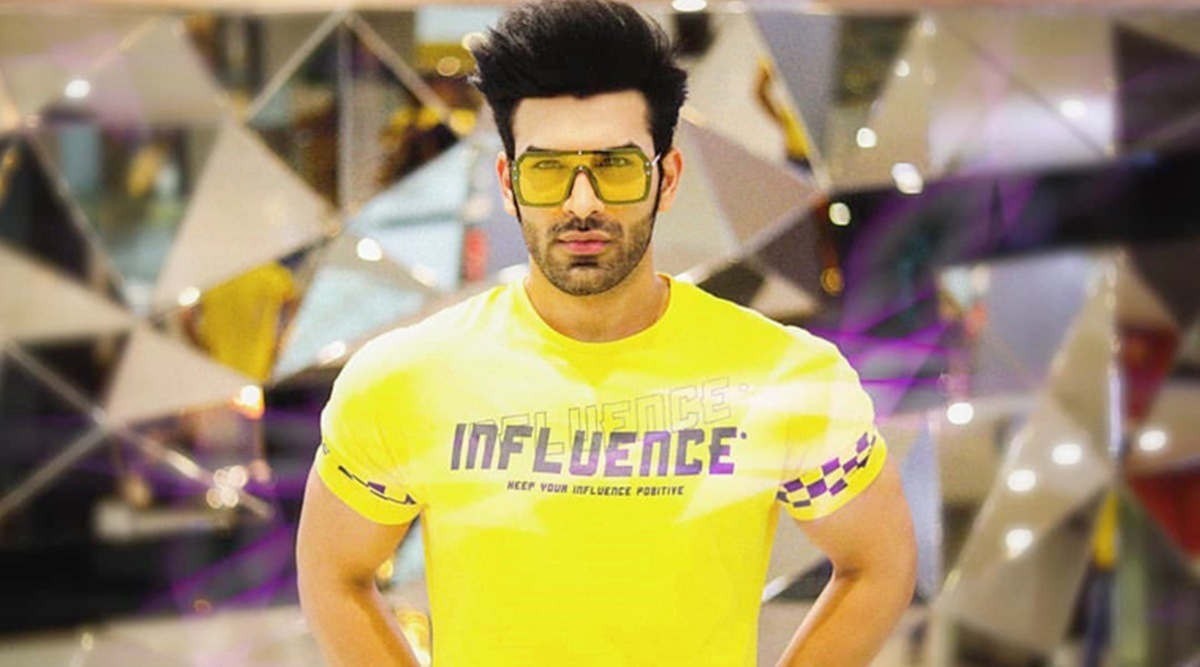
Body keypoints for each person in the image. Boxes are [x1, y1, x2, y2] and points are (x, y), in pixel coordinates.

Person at [295, 1, 916, 665]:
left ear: (665, 179)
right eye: (547, 169)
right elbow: (334, 573)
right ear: (508, 184)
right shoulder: (405, 378)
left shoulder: (785, 375)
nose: (582, 202)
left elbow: (878, 562)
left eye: (616, 166)